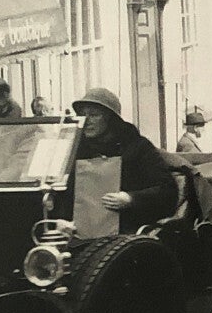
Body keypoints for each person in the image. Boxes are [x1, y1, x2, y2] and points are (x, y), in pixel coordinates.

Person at [69, 87, 178, 232]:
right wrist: (63, 220)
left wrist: (130, 199)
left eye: (94, 115)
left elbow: (168, 191)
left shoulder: (137, 147)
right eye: (82, 115)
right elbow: (66, 194)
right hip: (78, 230)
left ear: (111, 119)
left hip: (127, 230)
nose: (86, 121)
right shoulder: (76, 149)